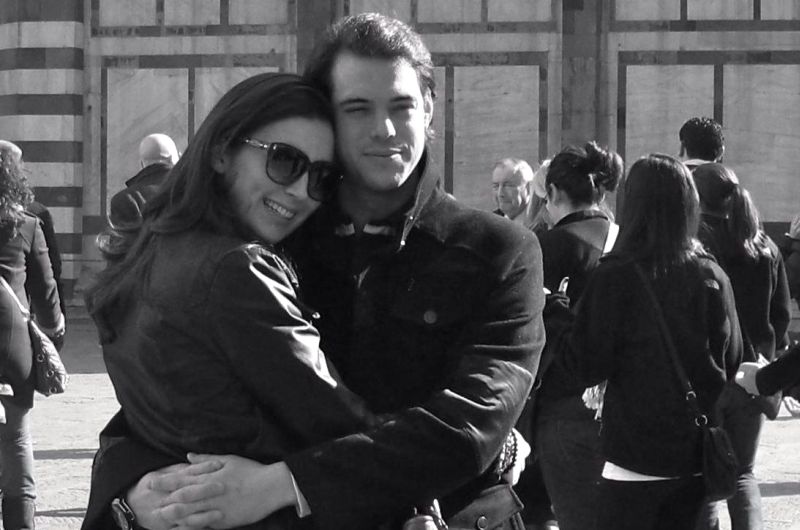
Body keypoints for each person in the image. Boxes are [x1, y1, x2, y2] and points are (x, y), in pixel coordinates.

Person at [83, 12, 545, 530]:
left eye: (401, 106)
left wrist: (285, 483)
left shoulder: (500, 250)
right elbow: (164, 403)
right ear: (328, 114)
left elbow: (471, 423)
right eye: (358, 108)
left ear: (429, 108)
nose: (384, 129)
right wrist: (133, 493)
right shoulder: (275, 236)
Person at [81, 72, 380, 529]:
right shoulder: (237, 269)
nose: (301, 191)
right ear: (222, 151)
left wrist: (126, 497)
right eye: (285, 161)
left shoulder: (150, 246)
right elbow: (340, 422)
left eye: (322, 177)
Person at [548, 153, 742, 530]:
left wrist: (556, 312)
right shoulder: (712, 274)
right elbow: (731, 359)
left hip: (633, 460)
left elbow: (585, 365)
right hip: (696, 459)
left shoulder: (616, 276)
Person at [692, 162, 791, 530]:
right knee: (743, 474)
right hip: (754, 373)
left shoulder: (695, 246)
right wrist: (771, 355)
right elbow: (781, 313)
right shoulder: (764, 246)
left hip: (709, 372)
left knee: (703, 477)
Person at [531, 141, 623, 530]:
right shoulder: (628, 241)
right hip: (625, 402)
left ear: (552, 192)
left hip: (564, 404)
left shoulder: (545, 247)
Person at [0, 140, 65, 529]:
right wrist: (54, 329)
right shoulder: (25, 225)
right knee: (16, 439)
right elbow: (46, 289)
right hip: (11, 348)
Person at [96, 133, 180, 261]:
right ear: (173, 159)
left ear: (142, 164)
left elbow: (120, 259)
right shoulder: (191, 193)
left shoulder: (124, 200)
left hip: (143, 272)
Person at [491, 157, 546, 231]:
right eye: (496, 186)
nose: (500, 193)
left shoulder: (545, 224)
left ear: (528, 188)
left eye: (508, 185)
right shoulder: (489, 224)